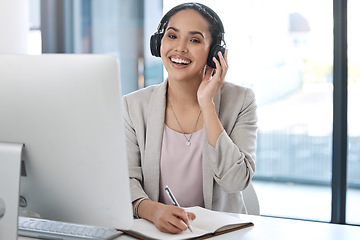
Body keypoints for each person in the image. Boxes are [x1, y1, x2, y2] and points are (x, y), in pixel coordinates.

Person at [122, 2, 257, 234]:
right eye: (172, 36)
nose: (180, 48)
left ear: (215, 53)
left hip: (220, 235)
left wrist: (207, 104)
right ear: (158, 44)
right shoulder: (134, 106)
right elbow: (125, 180)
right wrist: (153, 211)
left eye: (194, 40)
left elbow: (235, 182)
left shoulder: (241, 101)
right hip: (155, 233)